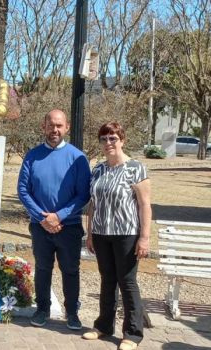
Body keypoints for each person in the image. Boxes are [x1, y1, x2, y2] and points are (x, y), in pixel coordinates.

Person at [17, 109, 91, 330]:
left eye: (59, 126)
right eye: (51, 126)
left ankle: (72, 312)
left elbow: (83, 194)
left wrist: (59, 216)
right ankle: (42, 309)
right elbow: (23, 190)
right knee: (42, 269)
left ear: (66, 127)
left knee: (70, 270)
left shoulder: (77, 157)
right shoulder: (32, 155)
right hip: (40, 227)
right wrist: (43, 217)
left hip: (68, 227)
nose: (55, 130)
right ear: (44, 127)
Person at [82, 122, 151, 350]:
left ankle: (132, 333)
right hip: (102, 233)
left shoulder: (136, 168)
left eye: (113, 138)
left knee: (127, 282)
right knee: (107, 280)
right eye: (104, 139)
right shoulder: (98, 170)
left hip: (126, 234)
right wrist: (90, 233)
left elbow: (144, 205)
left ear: (122, 140)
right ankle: (103, 326)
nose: (108, 143)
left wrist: (144, 237)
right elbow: (93, 204)